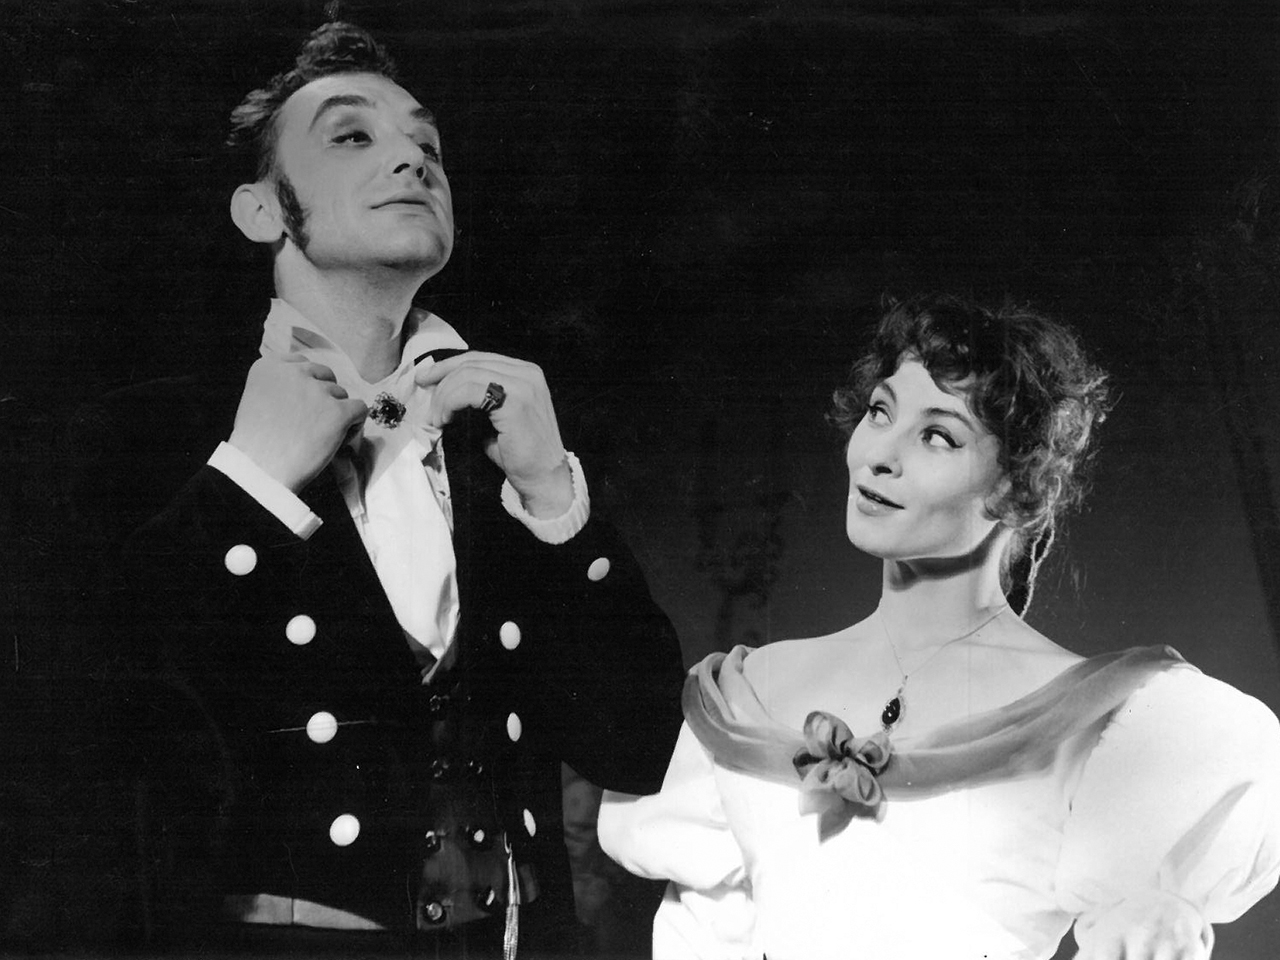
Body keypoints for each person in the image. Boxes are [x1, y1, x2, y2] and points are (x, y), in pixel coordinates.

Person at [72, 20, 684, 957]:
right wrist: (246, 488)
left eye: (427, 144)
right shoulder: (147, 431)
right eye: (353, 136)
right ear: (261, 211)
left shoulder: (504, 436)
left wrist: (551, 495)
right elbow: (87, 748)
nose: (412, 159)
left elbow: (637, 743)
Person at [598, 294, 1280, 959]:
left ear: (1016, 486)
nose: (879, 454)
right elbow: (705, 936)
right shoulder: (754, 688)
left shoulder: (1114, 722)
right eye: (880, 411)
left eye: (936, 435)